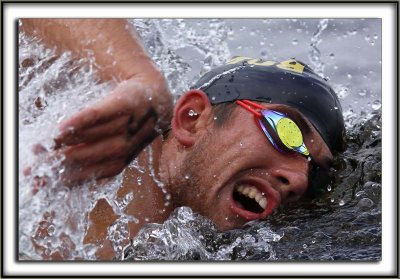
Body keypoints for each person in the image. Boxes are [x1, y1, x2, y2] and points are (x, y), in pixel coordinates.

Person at [21, 19, 346, 260]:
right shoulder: (75, 117)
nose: (300, 179)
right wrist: (139, 78)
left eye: (316, 171)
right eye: (287, 133)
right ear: (192, 118)